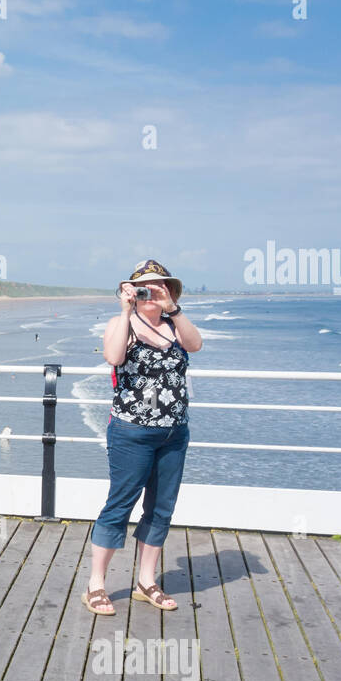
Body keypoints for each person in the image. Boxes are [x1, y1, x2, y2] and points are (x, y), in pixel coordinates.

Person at [84, 260, 203, 616]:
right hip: (131, 432)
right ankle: (96, 585)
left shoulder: (174, 326)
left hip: (174, 432)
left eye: (159, 286)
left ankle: (146, 581)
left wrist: (174, 310)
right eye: (143, 288)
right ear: (131, 293)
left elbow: (195, 345)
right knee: (119, 505)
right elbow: (113, 356)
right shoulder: (122, 324)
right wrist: (124, 312)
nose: (151, 293)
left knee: (161, 508)